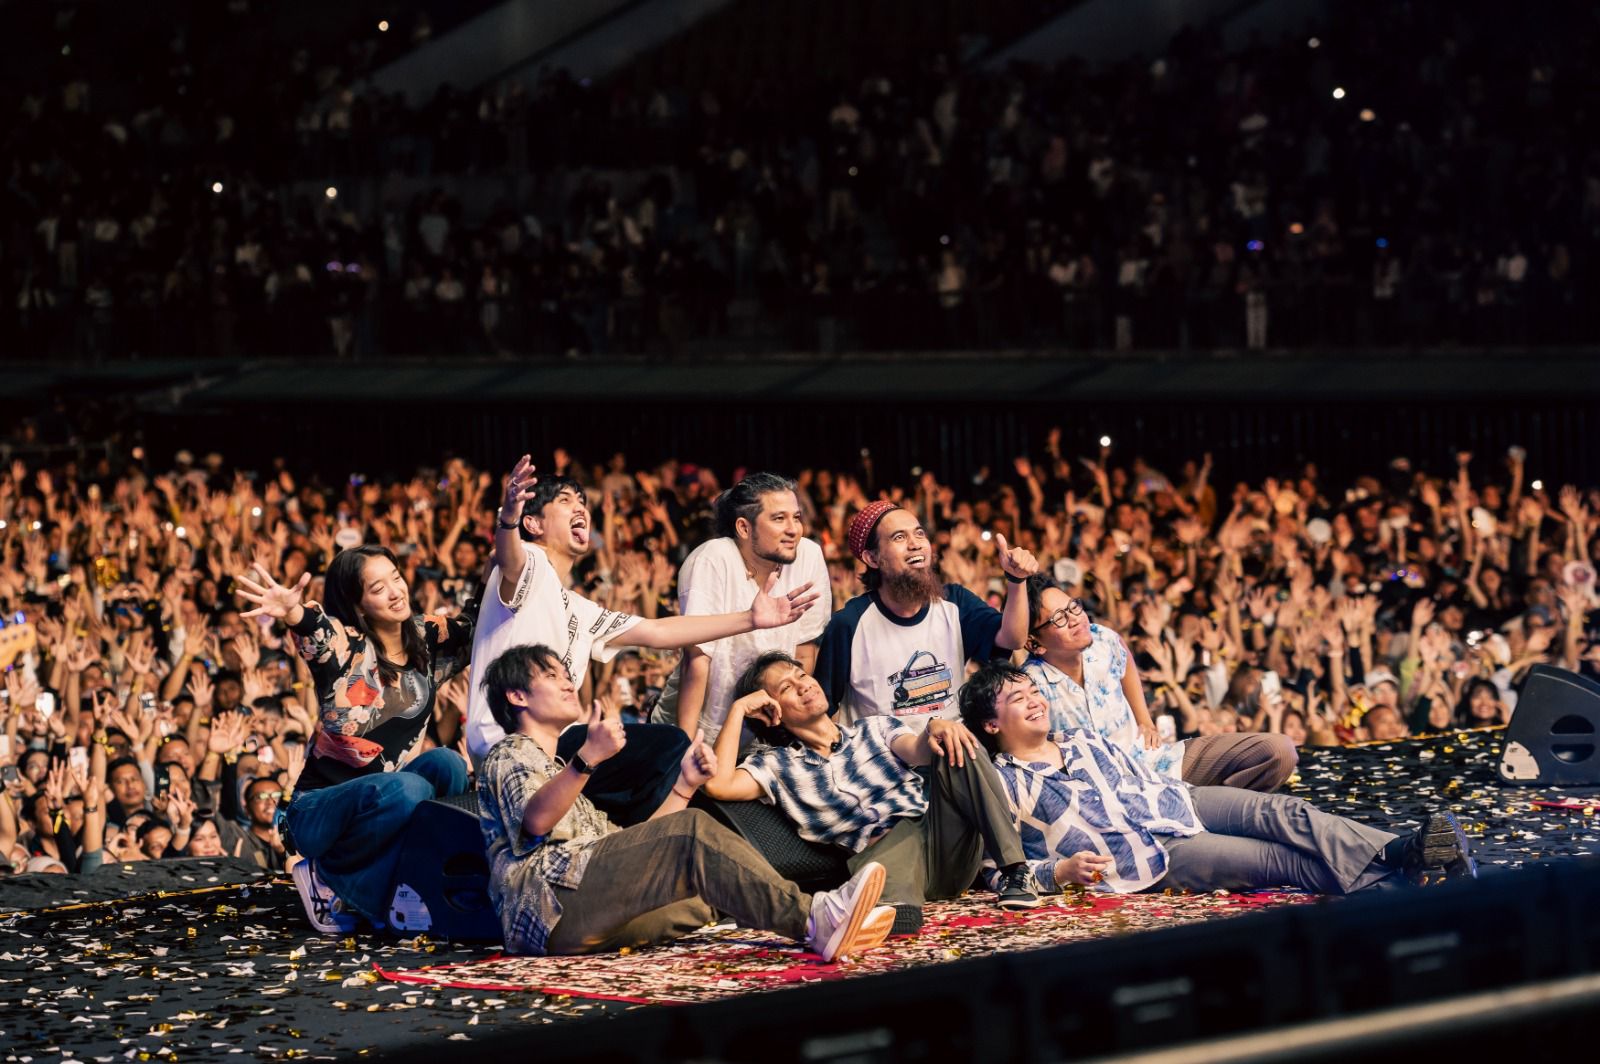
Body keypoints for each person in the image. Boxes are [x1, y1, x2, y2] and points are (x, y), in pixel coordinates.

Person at [477, 643, 894, 960]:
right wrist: (588, 759)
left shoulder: (563, 774)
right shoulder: (511, 753)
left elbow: (639, 843)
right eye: (552, 676)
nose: (569, 681)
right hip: (549, 906)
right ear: (518, 697)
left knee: (705, 893)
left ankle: (835, 923)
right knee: (694, 832)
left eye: (565, 672)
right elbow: (536, 821)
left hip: (584, 908)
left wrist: (684, 785)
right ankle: (814, 918)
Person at [466, 456, 818, 823]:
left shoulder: (575, 606)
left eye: (582, 501)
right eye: (566, 500)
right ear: (533, 522)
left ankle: (619, 837)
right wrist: (507, 519)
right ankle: (632, 841)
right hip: (509, 743)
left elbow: (657, 632)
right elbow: (509, 558)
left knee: (664, 758)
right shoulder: (531, 564)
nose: (580, 507)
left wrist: (750, 619)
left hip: (559, 750)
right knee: (670, 748)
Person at [959, 662, 1477, 896]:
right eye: (1017, 698)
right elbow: (998, 872)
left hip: (1179, 802)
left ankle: (1406, 850)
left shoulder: (1080, 739)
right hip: (1148, 856)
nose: (1035, 701)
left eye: (1034, 691)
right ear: (990, 723)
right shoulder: (1005, 784)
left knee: (1284, 812)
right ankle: (1408, 886)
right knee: (1282, 862)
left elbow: (1145, 776)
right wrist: (1062, 871)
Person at [233, 549, 474, 933]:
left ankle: (420, 887)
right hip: (318, 812)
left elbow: (477, 624)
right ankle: (328, 878)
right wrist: (293, 612)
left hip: (385, 799)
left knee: (449, 765)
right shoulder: (347, 647)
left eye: (396, 577)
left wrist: (505, 556)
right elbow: (316, 629)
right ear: (358, 604)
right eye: (378, 587)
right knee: (408, 788)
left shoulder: (425, 637)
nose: (396, 591)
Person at [703, 651, 1043, 923]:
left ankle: (1015, 870)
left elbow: (920, 750)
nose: (804, 685)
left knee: (955, 743)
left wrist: (936, 727)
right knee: (890, 850)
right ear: (771, 711)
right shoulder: (776, 766)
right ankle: (890, 909)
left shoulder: (874, 729)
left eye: (802, 675)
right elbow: (718, 785)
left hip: (942, 843)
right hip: (884, 863)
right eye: (787, 688)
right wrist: (738, 710)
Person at [1022, 575, 1297, 790]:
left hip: (1158, 762)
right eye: (1059, 618)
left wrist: (1145, 720)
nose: (1076, 619)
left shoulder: (1101, 638)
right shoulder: (1031, 686)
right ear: (1034, 643)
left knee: (1278, 752)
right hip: (1113, 796)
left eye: (1074, 606)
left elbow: (1124, 656)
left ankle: (1203, 806)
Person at [814, 501, 1037, 731]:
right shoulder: (849, 624)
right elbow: (819, 710)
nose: (915, 544)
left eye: (919, 534)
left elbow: (1013, 639)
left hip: (954, 755)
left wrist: (1016, 581)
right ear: (872, 558)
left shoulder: (954, 603)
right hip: (883, 761)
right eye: (899, 537)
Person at [651, 472, 831, 743]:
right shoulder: (713, 559)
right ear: (744, 528)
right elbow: (696, 660)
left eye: (796, 517)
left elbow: (803, 651)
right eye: (779, 518)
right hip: (698, 726)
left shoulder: (808, 555)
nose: (794, 529)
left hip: (765, 731)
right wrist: (683, 751)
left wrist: (792, 733)